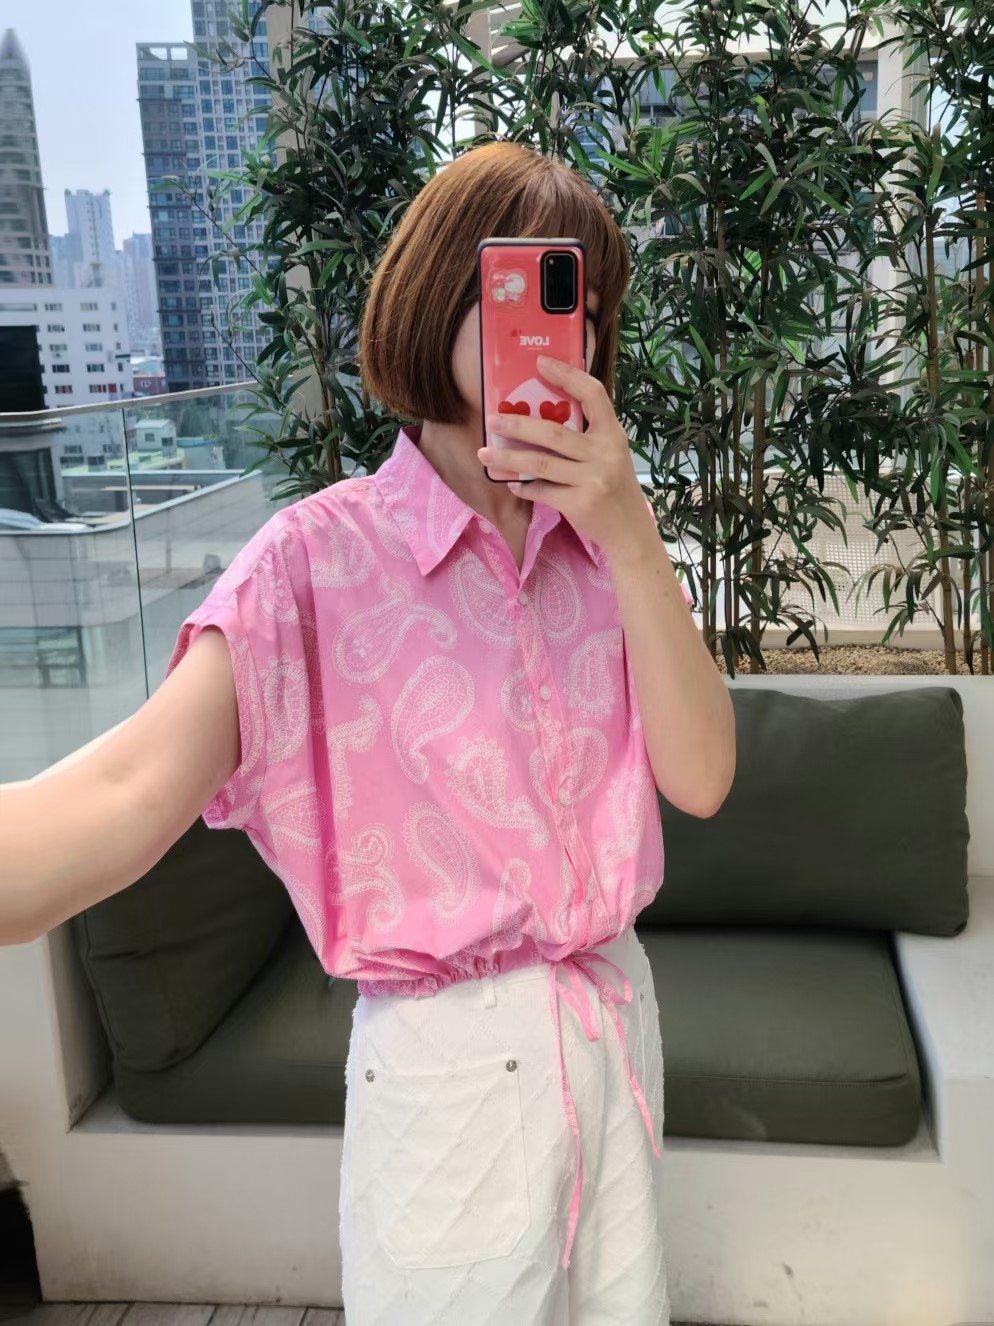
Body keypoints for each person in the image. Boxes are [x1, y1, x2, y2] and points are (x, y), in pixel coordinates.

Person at [0, 140, 735, 1324]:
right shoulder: (314, 566)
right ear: (438, 297)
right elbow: (124, 796)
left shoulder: (611, 554)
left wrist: (634, 533)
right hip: (448, 1087)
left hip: (611, 1030)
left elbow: (700, 778)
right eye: (522, 292)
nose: (561, 335)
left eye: (585, 311)